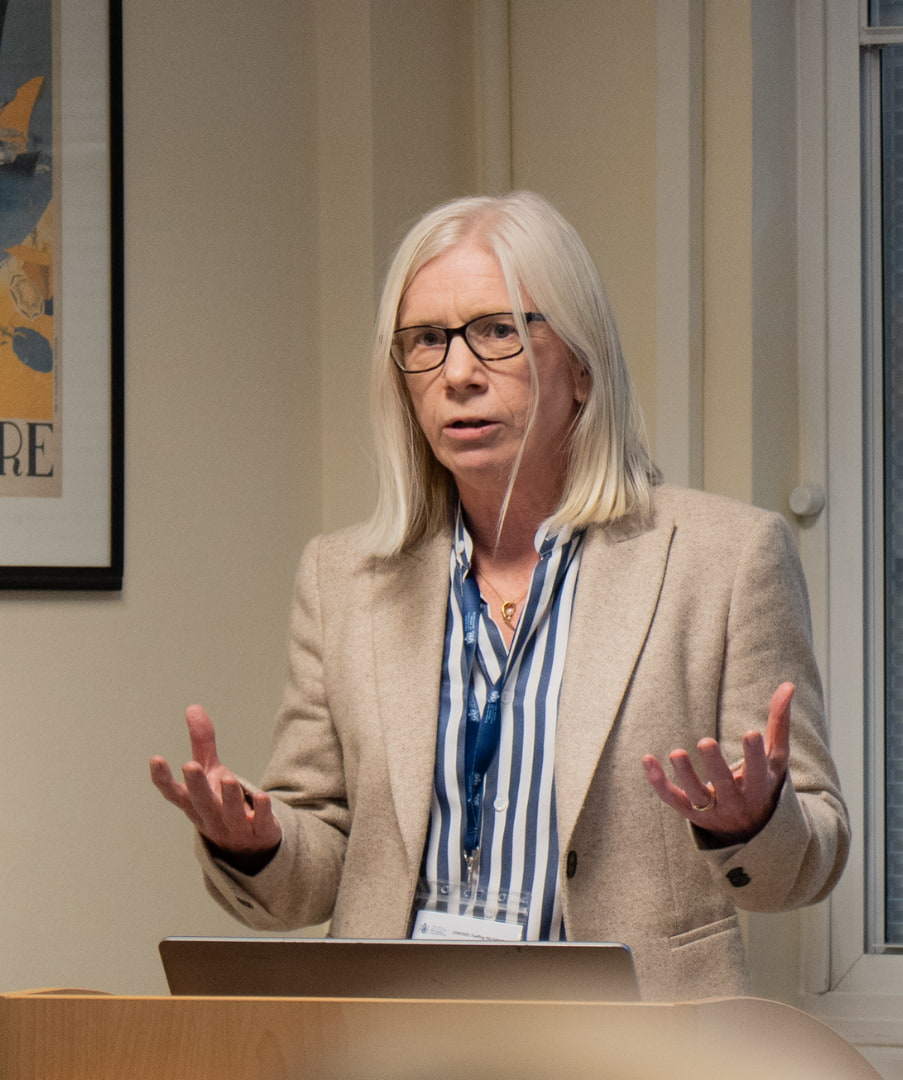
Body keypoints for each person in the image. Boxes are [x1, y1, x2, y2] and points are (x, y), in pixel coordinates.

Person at [150, 190, 849, 1001]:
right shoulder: (341, 579)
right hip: (396, 1037)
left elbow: (813, 853)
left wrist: (755, 822)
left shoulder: (726, 559)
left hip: (630, 1040)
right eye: (426, 340)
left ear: (581, 366)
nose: (457, 374)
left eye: (499, 331)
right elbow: (322, 862)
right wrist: (256, 841)